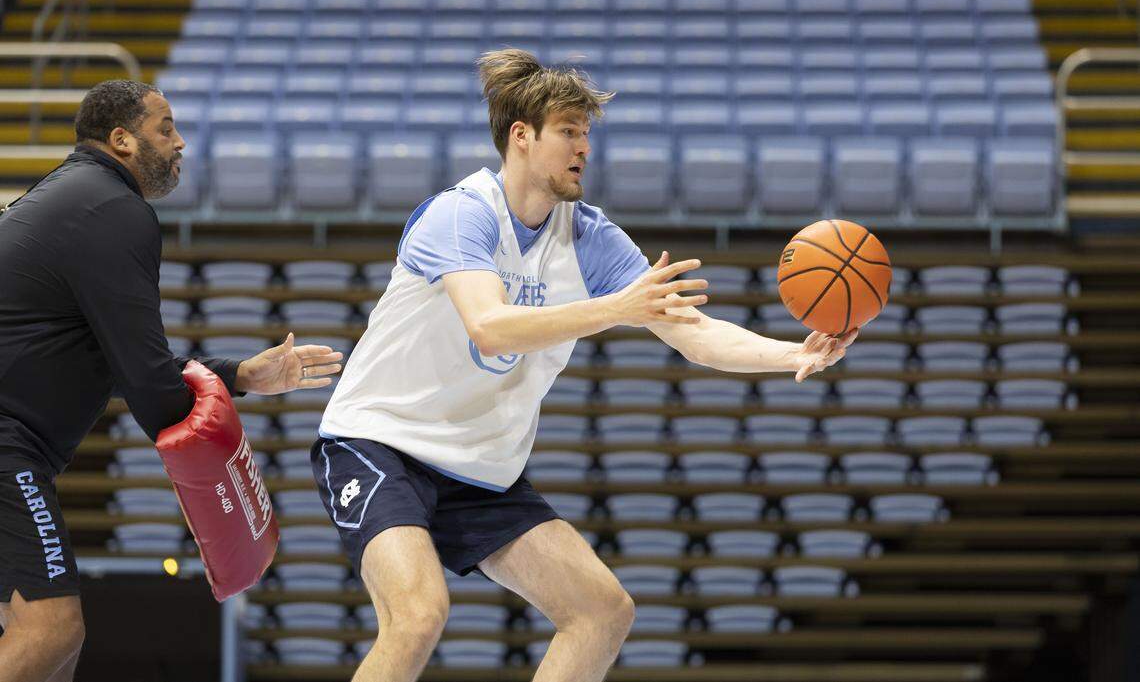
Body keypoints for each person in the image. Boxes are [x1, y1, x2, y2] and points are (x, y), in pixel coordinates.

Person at [312, 49, 857, 682]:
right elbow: (489, 329)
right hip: (379, 440)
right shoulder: (462, 213)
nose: (584, 147)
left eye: (587, 133)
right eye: (569, 131)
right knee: (418, 615)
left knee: (602, 611)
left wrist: (795, 352)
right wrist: (614, 309)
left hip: (479, 466)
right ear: (522, 136)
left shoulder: (590, 238)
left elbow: (696, 336)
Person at [0, 80, 344, 682]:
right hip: (7, 447)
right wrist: (227, 495)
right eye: (165, 128)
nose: (180, 141)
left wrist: (238, 375)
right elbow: (154, 393)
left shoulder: (72, 196)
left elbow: (108, 367)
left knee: (50, 644)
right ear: (122, 140)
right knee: (53, 629)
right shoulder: (115, 211)